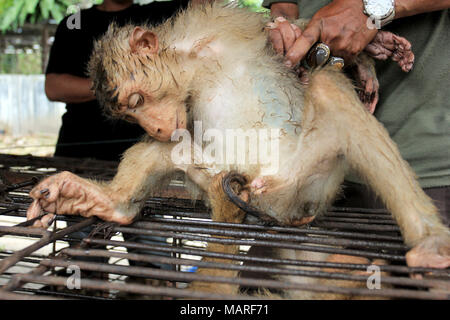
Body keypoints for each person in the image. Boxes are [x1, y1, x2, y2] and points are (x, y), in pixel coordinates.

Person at [262, 0, 450, 225]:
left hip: (422, 165)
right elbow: (285, 9)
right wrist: (285, 29)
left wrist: (371, 9)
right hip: (312, 168)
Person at [44, 0, 188, 283]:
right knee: (86, 264)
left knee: (153, 268)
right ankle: (90, 286)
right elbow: (54, 86)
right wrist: (116, 86)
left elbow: (203, 7)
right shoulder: (74, 23)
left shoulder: (157, 14)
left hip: (145, 165)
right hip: (81, 158)